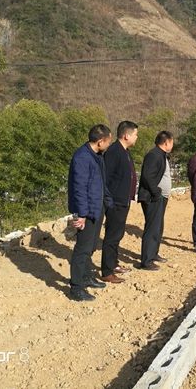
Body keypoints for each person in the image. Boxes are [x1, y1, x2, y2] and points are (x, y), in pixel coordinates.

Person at [67, 124, 113, 301]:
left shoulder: (97, 156)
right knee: (82, 249)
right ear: (100, 141)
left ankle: (86, 277)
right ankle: (76, 288)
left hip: (96, 208)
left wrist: (107, 201)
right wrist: (82, 214)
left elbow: (100, 183)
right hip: (86, 211)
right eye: (108, 141)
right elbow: (79, 189)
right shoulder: (82, 158)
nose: (109, 144)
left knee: (91, 246)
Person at [100, 121, 138, 283]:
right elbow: (106, 179)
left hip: (123, 200)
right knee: (112, 236)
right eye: (135, 134)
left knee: (118, 234)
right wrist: (110, 201)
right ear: (126, 135)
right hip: (115, 202)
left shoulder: (125, 151)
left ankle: (114, 264)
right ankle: (107, 271)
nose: (136, 137)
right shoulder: (114, 152)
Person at [137, 131, 174, 270]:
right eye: (172, 142)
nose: (172, 145)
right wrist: (156, 192)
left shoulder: (161, 155)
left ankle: (153, 254)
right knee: (152, 228)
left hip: (159, 198)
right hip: (152, 198)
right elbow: (147, 176)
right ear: (166, 142)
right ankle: (146, 261)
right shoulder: (154, 155)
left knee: (158, 227)